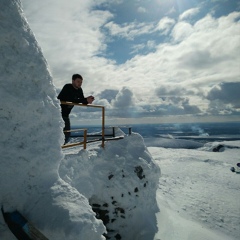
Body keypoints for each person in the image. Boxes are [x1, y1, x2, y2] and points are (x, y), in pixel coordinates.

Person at [57, 74, 94, 144]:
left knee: (67, 134)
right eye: (78, 81)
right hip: (57, 114)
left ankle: (59, 150)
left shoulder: (79, 90)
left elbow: (81, 100)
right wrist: (85, 100)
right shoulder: (67, 87)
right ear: (73, 81)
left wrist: (88, 100)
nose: (80, 84)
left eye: (81, 82)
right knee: (57, 133)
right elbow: (69, 99)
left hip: (65, 115)